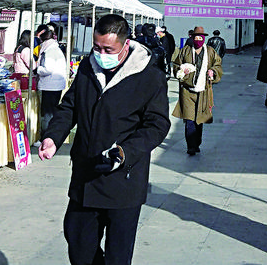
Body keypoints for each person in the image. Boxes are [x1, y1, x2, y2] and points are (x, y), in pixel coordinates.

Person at [38, 14, 170, 265]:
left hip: (123, 179)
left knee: (117, 256)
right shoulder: (88, 67)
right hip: (86, 174)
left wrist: (124, 152)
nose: (100, 54)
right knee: (78, 243)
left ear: (125, 44)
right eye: (96, 47)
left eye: (108, 49)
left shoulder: (149, 76)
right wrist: (53, 137)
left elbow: (157, 125)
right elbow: (70, 106)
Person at [171, 26, 224, 156]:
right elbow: (176, 65)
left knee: (199, 120)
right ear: (193, 38)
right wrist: (181, 71)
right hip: (187, 91)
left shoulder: (210, 51)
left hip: (203, 91)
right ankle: (191, 146)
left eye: (201, 38)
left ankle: (197, 142)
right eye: (196, 37)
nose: (198, 40)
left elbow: (217, 65)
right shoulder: (185, 51)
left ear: (204, 38)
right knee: (189, 119)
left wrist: (213, 71)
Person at [36, 24, 69, 135]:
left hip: (50, 86)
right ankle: (50, 135)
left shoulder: (49, 51)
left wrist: (37, 70)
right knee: (51, 112)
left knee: (47, 113)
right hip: (55, 85)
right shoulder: (55, 49)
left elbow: (48, 69)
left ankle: (46, 136)